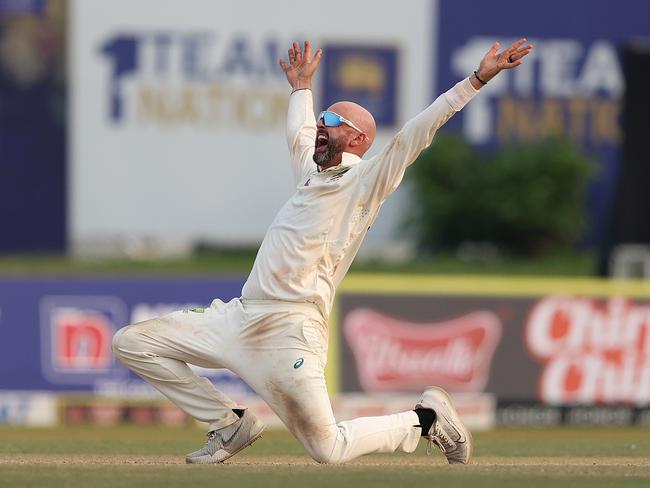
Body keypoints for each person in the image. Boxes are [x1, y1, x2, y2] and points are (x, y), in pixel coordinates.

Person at [112, 38, 533, 465]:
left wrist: (477, 80)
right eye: (322, 117)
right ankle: (228, 424)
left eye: (330, 119)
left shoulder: (367, 182)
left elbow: (415, 134)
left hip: (290, 330)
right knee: (132, 342)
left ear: (356, 137)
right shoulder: (310, 175)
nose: (320, 124)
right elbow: (298, 132)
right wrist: (301, 89)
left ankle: (425, 421)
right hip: (239, 316)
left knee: (328, 449)